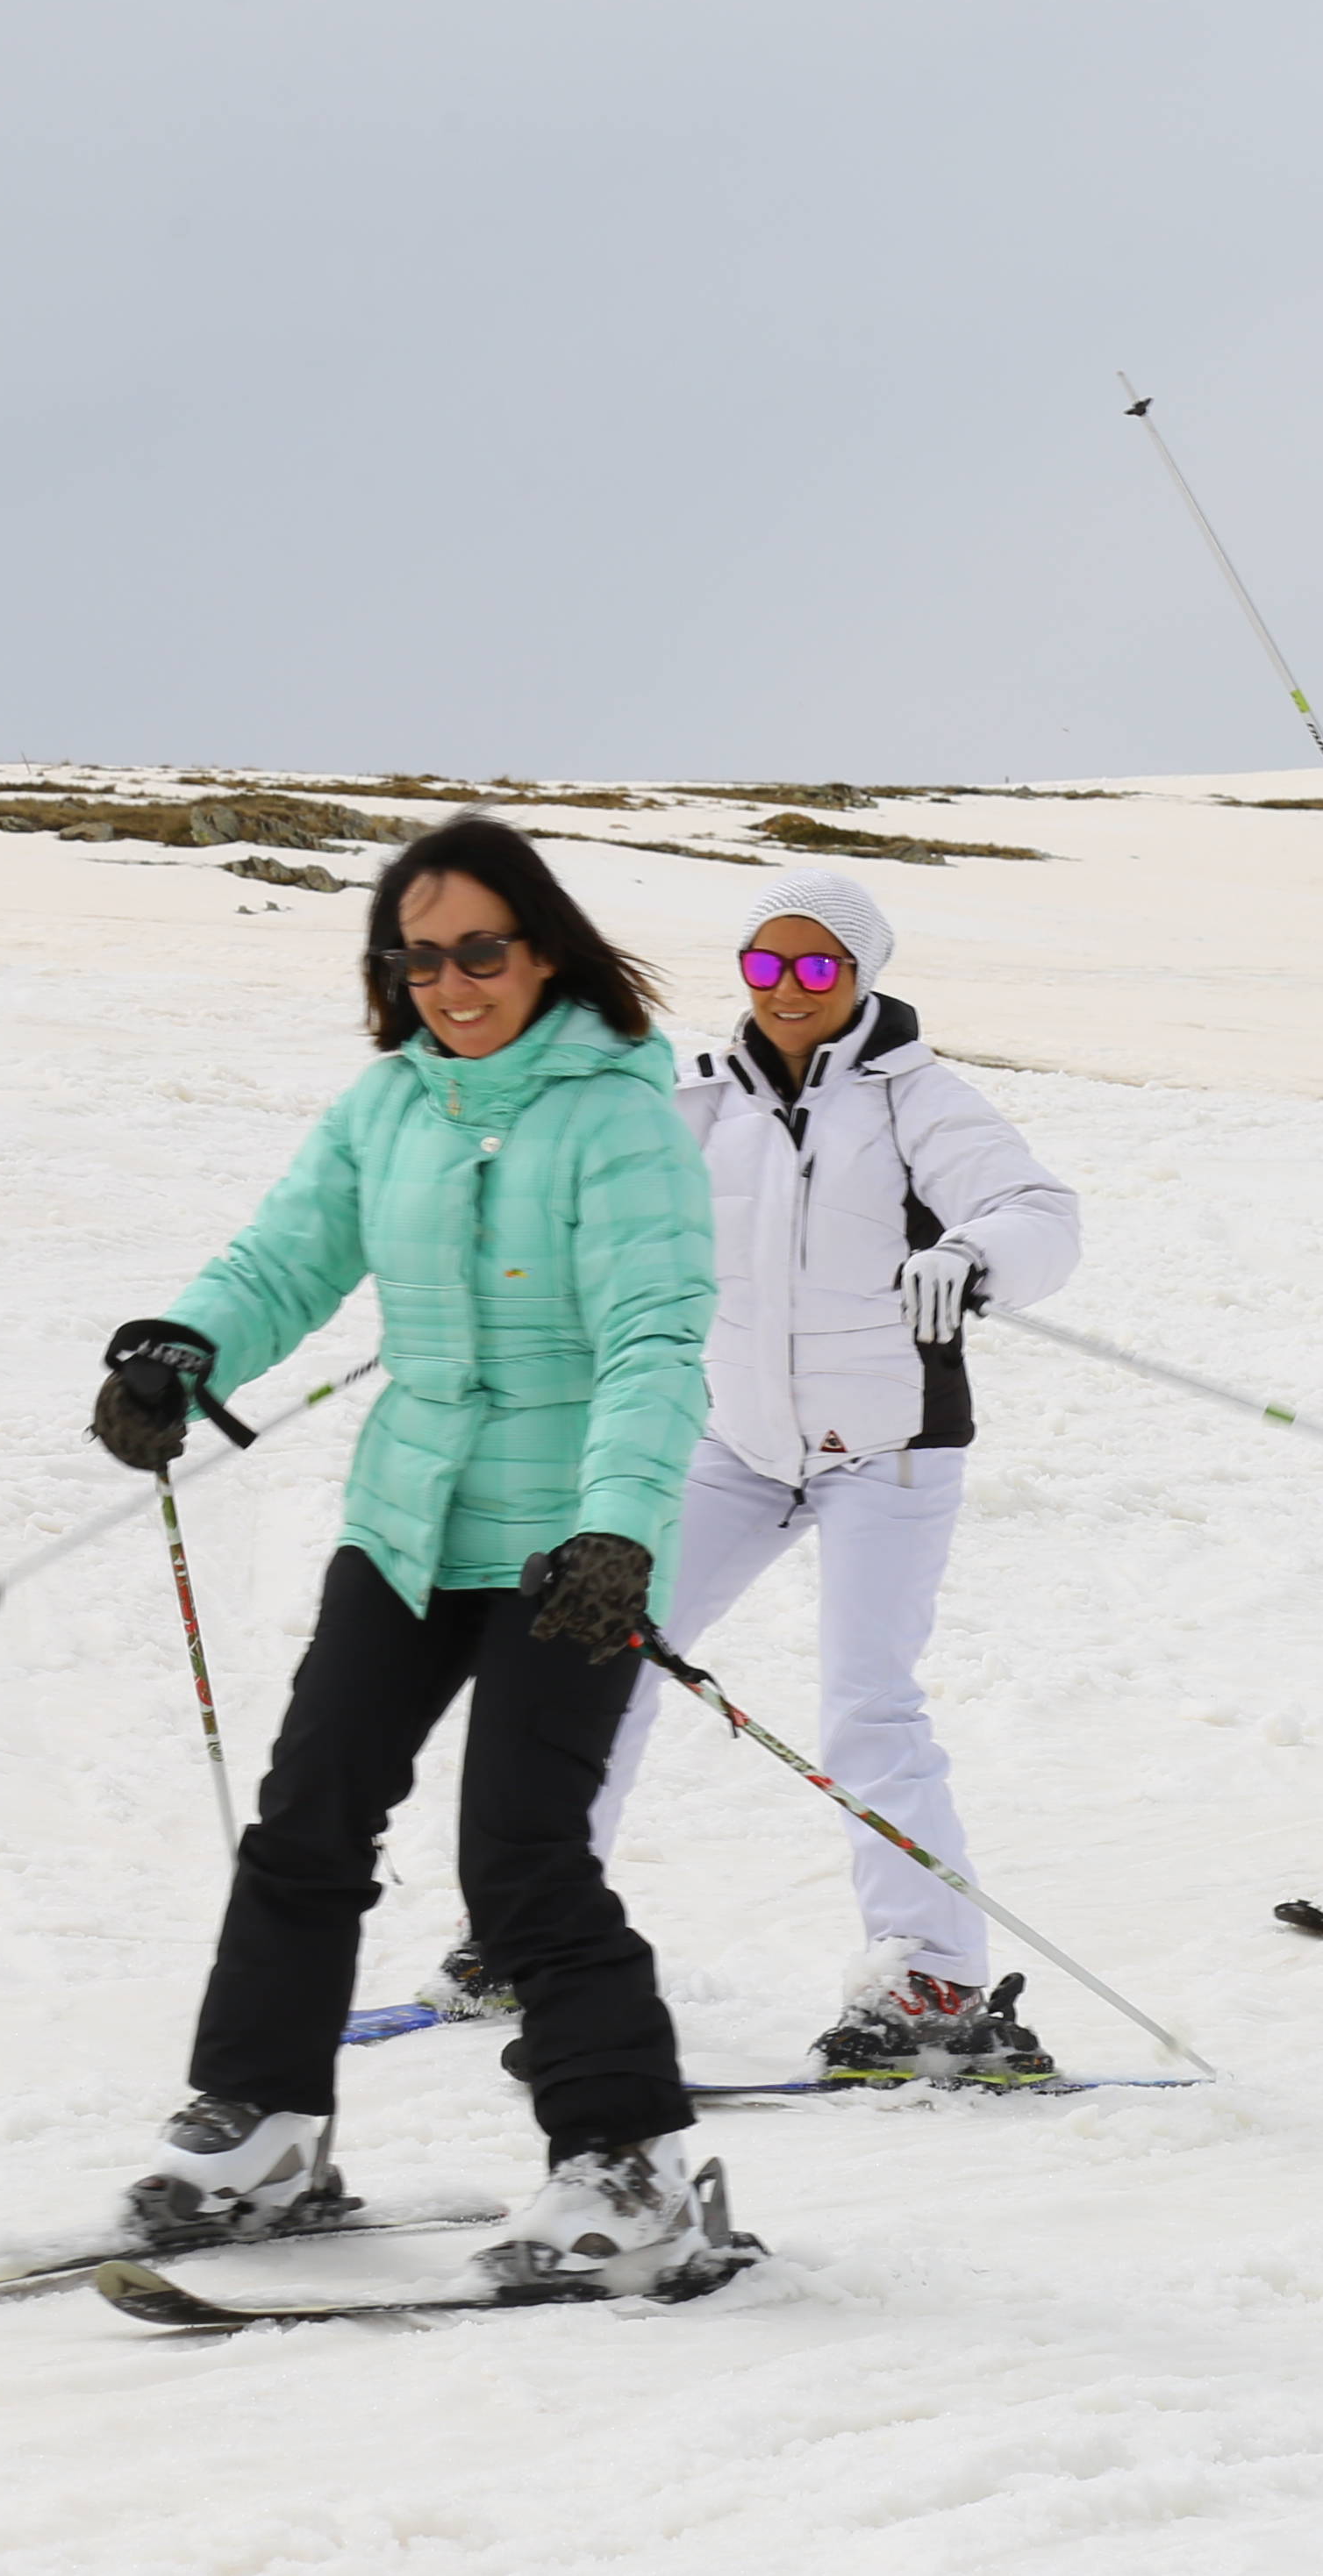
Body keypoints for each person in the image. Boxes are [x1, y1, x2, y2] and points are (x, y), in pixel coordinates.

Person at [88, 812, 740, 2295]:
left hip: (569, 1544)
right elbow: (286, 1257)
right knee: (308, 1815)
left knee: (519, 1853)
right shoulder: (387, 1106)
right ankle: (263, 2128)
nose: (449, 983)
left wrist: (618, 1528)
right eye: (418, 959)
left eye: (478, 951)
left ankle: (628, 2166)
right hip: (406, 1521)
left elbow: (654, 1338)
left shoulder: (620, 1120)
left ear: (545, 950)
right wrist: (186, 1346)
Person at [579, 864, 1082, 2080]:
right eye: (766, 963)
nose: (788, 988)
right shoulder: (704, 1101)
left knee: (868, 1705)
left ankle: (931, 1975)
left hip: (888, 1446)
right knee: (602, 1651)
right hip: (739, 1442)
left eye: (815, 966)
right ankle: (536, 1920)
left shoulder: (918, 1099)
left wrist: (973, 1256)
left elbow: (1038, 1211)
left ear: (861, 974)